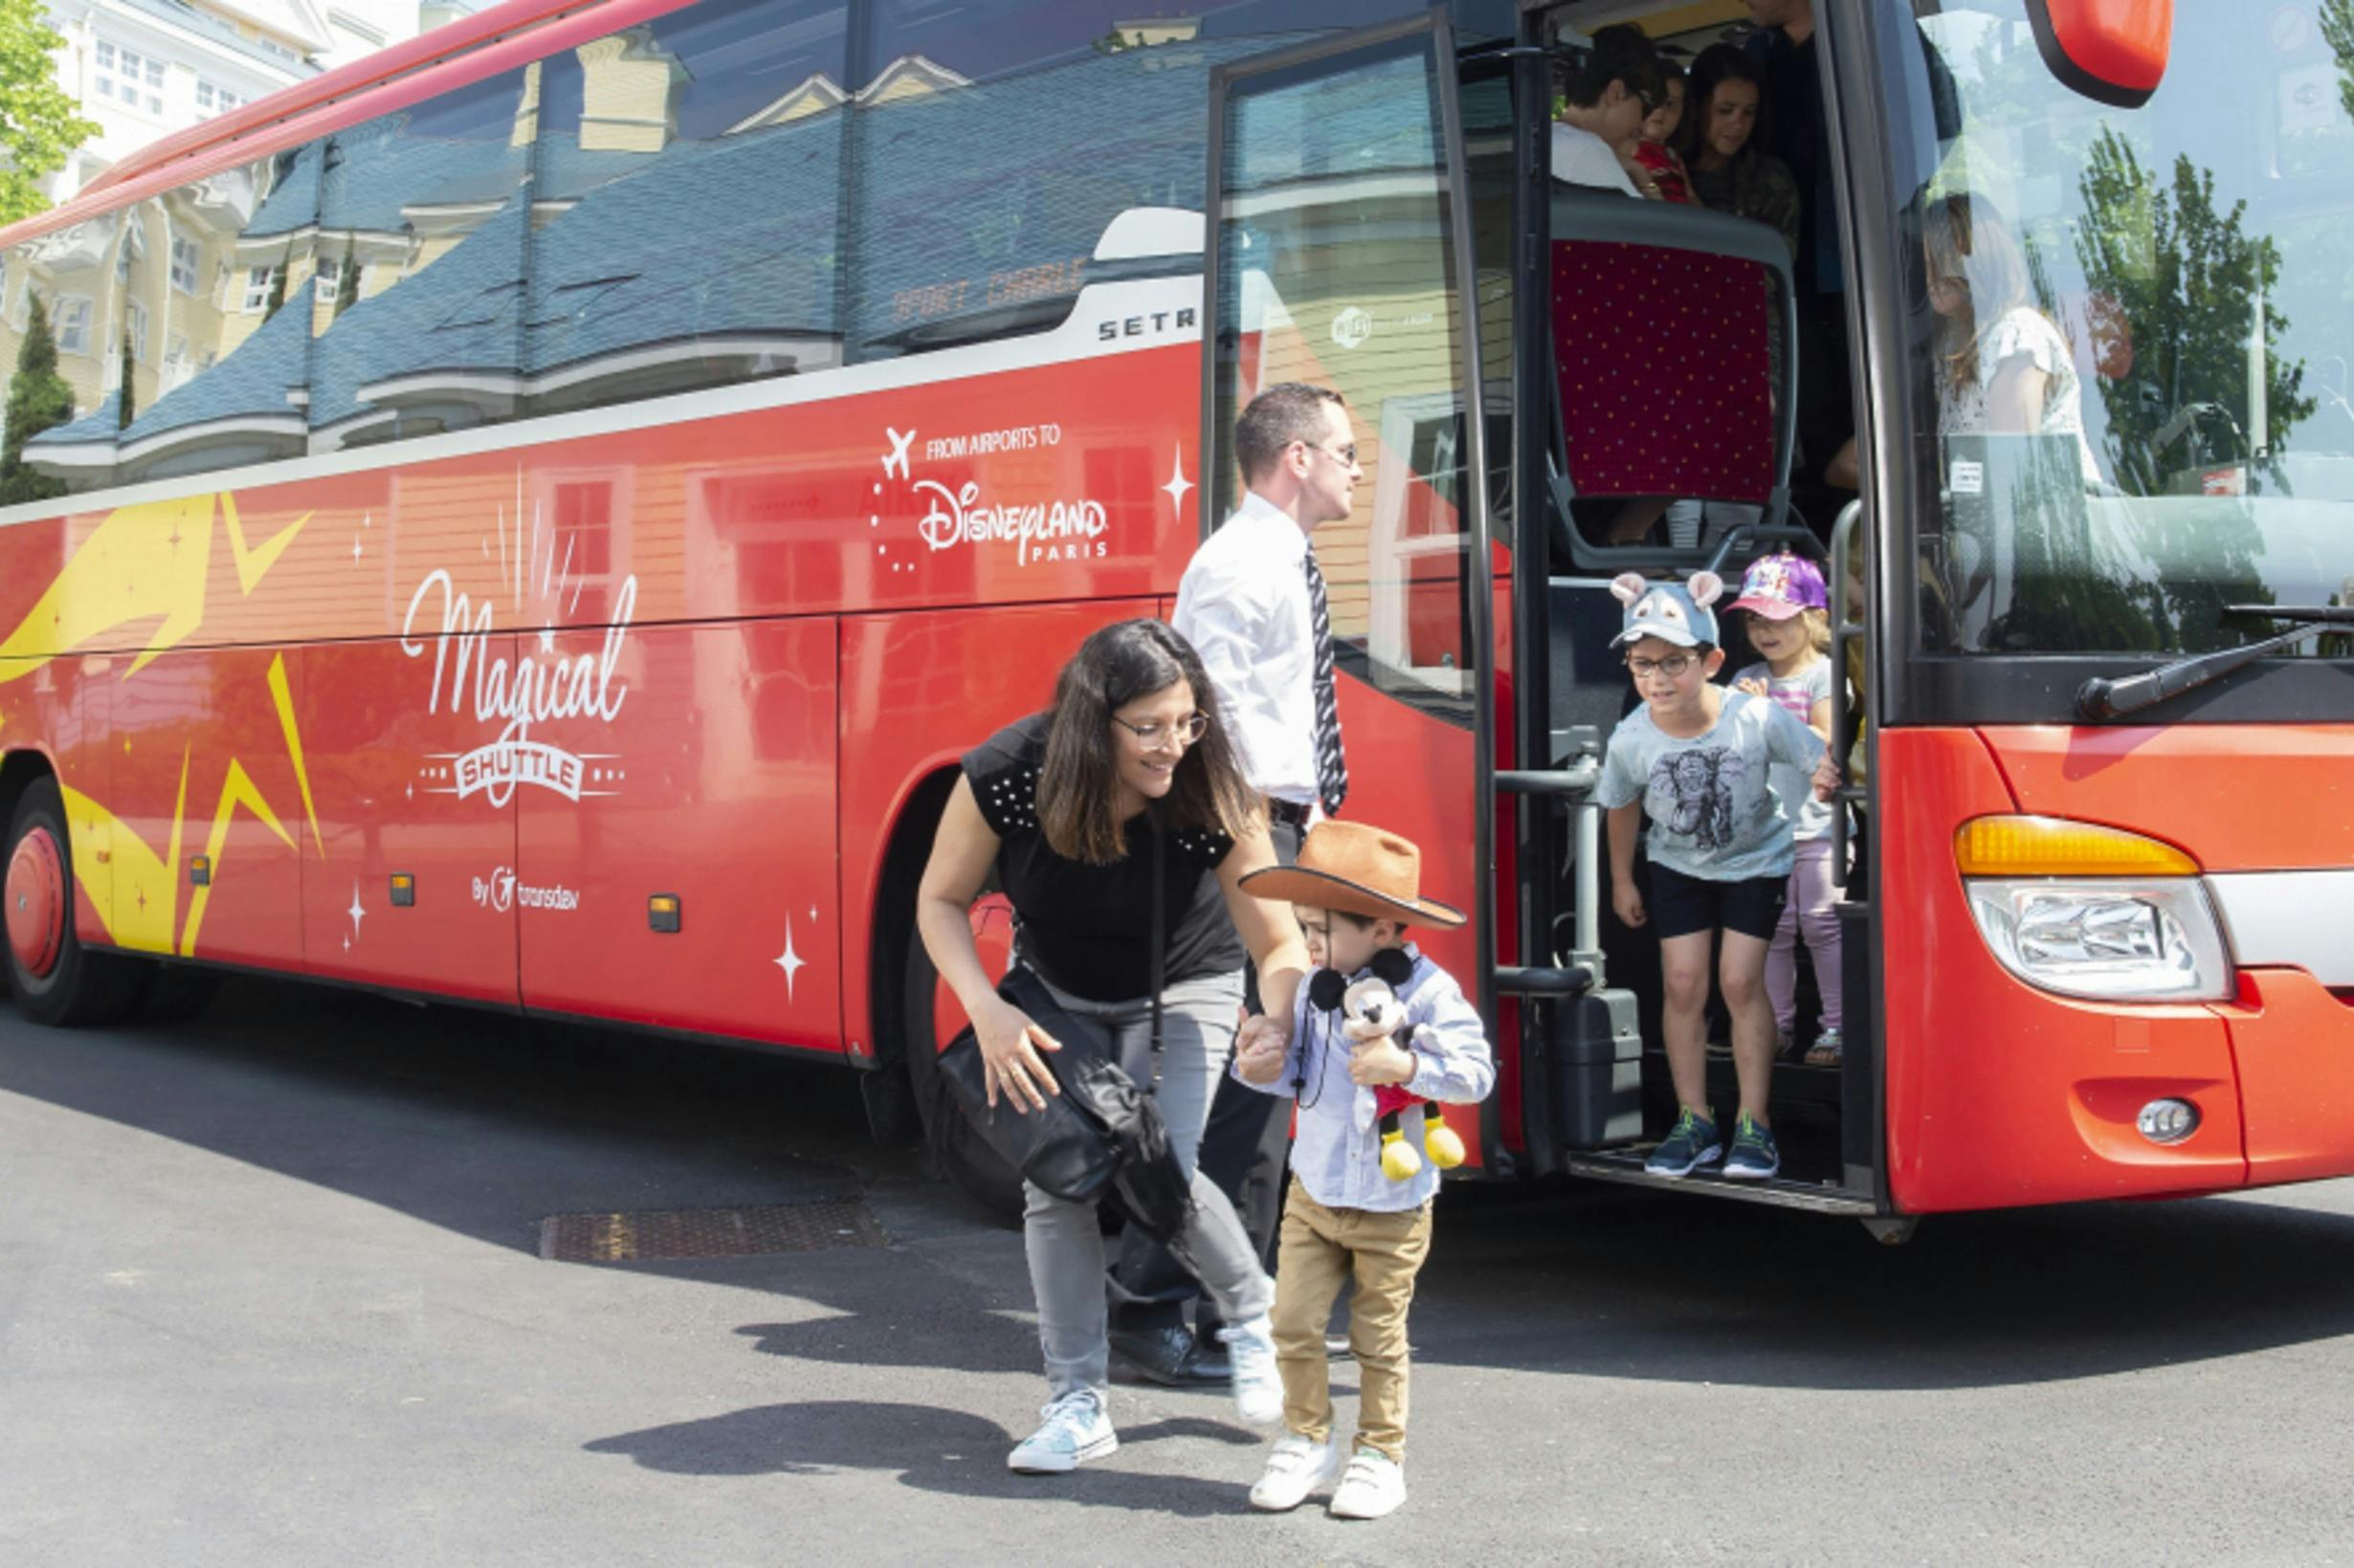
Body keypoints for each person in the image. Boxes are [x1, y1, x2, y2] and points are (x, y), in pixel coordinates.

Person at [915, 617, 1313, 1474]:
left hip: (1188, 983)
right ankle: (1077, 1401)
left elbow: (1278, 945)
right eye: (1152, 726)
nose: (1175, 744)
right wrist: (984, 1007)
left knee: (1157, 1164)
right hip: (1055, 991)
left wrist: (1281, 1020)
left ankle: (1250, 1314)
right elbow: (940, 899)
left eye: (1188, 720)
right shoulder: (1009, 774)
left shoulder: (1207, 788)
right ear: (1094, 721)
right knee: (1056, 1186)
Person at [1109, 381, 1361, 1387]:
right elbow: (1194, 727)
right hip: (1237, 832)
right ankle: (1149, 1306)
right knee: (1227, 1084)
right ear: (1295, 456)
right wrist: (1256, 847)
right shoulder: (1238, 566)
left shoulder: (1281, 560)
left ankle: (1229, 1304)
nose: (1356, 465)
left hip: (1274, 826)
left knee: (1265, 1079)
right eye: (1344, 449)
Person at [1231, 821, 1495, 1520]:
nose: (1307, 945)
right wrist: (1258, 1058)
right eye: (1303, 927)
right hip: (1312, 1191)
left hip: (1392, 1200)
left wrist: (1407, 1065)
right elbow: (1292, 1074)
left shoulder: (1433, 992)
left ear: (1380, 926)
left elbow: (1476, 1073)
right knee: (1291, 1320)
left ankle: (1379, 1455)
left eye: (1320, 930)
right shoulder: (1316, 989)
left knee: (1378, 1336)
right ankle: (1304, 1436)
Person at [1598, 573, 1836, 1181]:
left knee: (1738, 981)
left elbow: (1819, 757)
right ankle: (1694, 1119)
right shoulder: (1632, 737)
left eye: (1673, 663)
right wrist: (1622, 879)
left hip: (1757, 862)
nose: (1656, 679)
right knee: (1682, 982)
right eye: (1641, 663)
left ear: (1712, 662)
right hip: (1677, 865)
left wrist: (1827, 775)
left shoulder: (1753, 716)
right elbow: (1621, 803)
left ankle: (1754, 1124)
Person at [1726, 551, 1845, 1066]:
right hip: (1765, 829)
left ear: (1813, 618)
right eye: (1755, 619)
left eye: (1778, 618)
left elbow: (1826, 740)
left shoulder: (1823, 675)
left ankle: (1837, 1029)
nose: (1765, 629)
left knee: (1821, 923)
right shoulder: (1747, 677)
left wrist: (1767, 713)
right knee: (1771, 931)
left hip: (1818, 824)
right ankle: (1774, 1026)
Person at [1923, 191, 2099, 478]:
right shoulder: (1951, 347)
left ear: (1980, 260)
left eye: (1943, 261)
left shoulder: (2017, 335)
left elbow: (2014, 471)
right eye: (1925, 261)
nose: (1931, 276)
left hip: (2049, 518)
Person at [1673, 44, 1800, 262]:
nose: (1738, 124)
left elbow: (1775, 268)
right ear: (1695, 107)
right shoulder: (1666, 168)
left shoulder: (1769, 180)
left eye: (1749, 113)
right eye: (1725, 110)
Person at [1550, 23, 1664, 196]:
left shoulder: (1546, 140)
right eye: (1646, 106)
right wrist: (1643, 178)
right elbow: (1651, 223)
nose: (1642, 126)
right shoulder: (1586, 151)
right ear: (1616, 92)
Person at [1628, 61, 1694, 205]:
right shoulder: (1624, 148)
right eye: (1652, 100)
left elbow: (1691, 197)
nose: (1659, 110)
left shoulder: (1673, 156)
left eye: (1669, 104)